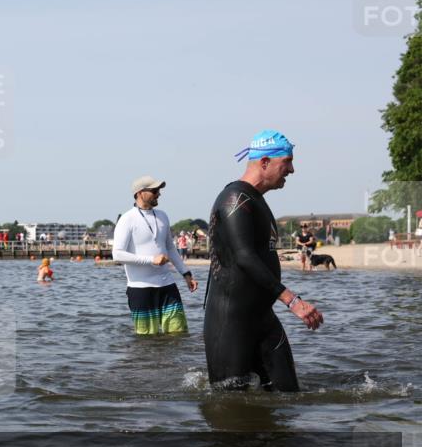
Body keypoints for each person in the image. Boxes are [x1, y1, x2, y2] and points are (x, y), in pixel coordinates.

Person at [205, 130, 323, 392]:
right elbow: (244, 257)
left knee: (290, 395)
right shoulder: (235, 199)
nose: (292, 170)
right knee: (231, 407)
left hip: (261, 316)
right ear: (265, 162)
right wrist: (293, 301)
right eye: (287, 162)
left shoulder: (256, 200)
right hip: (231, 322)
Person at [112, 175, 199, 335]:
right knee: (146, 341)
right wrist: (151, 260)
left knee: (179, 334)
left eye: (158, 190)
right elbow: (117, 255)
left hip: (167, 285)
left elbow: (170, 248)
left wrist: (186, 273)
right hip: (140, 289)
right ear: (139, 193)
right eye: (154, 190)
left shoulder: (163, 216)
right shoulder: (127, 219)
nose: (159, 193)